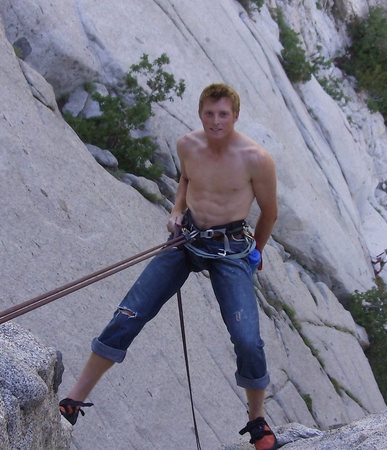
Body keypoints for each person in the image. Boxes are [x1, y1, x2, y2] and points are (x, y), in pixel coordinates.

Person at [58, 83, 278, 450]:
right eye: (209, 113)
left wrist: (257, 250)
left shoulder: (256, 159)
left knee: (247, 340)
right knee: (128, 314)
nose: (216, 121)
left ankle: (257, 421)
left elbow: (269, 213)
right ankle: (73, 400)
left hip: (230, 249)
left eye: (223, 114)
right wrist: (176, 210)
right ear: (200, 113)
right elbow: (186, 179)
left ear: (235, 116)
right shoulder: (187, 145)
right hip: (187, 239)